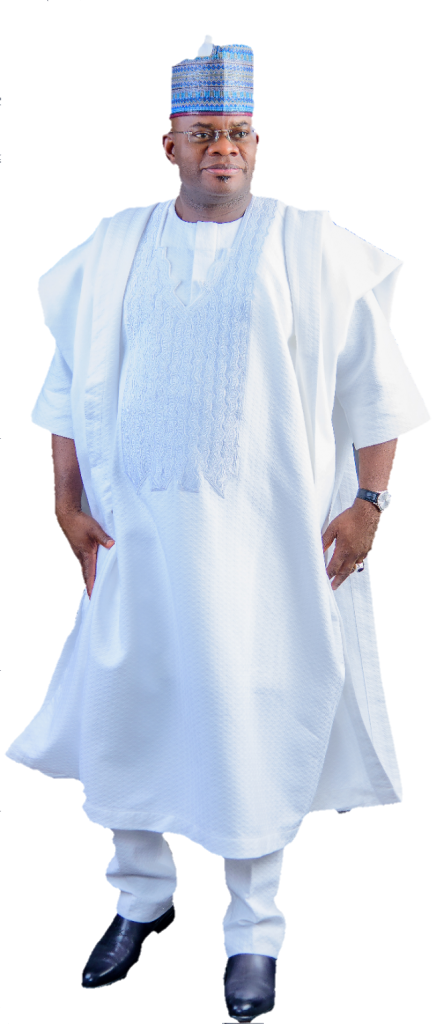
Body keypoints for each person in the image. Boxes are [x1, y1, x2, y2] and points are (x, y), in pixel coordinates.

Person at [4, 35, 431, 1020]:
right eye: (202, 134)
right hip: (138, 544)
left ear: (257, 142)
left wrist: (370, 503)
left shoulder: (308, 248)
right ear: (170, 146)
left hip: (266, 552)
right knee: (128, 708)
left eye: (236, 132)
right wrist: (66, 501)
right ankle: (139, 898)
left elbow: (377, 388)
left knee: (249, 714)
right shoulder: (115, 247)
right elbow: (67, 387)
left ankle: (252, 929)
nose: (221, 150)